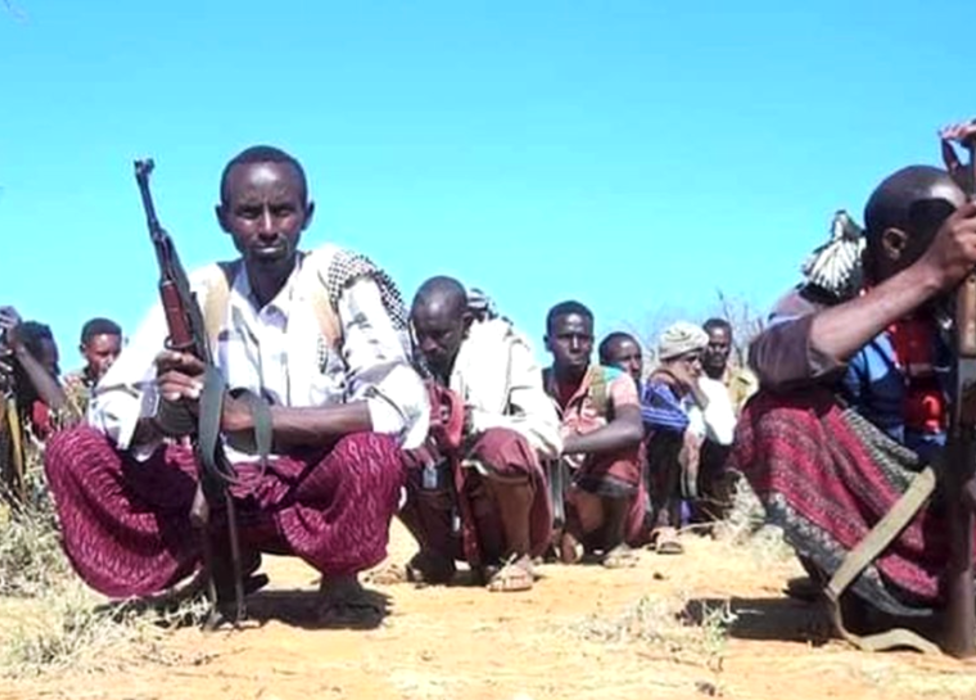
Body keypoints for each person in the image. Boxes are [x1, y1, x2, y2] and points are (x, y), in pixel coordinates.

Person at [43, 145, 429, 623]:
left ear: (307, 215)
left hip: (311, 479)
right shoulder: (202, 288)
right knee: (73, 451)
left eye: (282, 211)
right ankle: (216, 562)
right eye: (249, 213)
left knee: (371, 456)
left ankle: (340, 576)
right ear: (223, 219)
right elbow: (109, 401)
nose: (267, 228)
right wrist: (160, 421)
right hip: (215, 483)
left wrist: (249, 417)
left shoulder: (337, 278)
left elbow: (400, 404)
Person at [733, 163, 976, 631]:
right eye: (948, 234)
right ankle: (868, 587)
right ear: (893, 245)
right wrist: (928, 274)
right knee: (775, 417)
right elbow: (773, 358)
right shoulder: (830, 292)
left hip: (960, 496)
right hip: (876, 508)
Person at [403, 276, 561, 591]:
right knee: (389, 449)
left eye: (439, 335)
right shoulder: (410, 359)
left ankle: (517, 556)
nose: (427, 346)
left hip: (497, 514)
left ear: (466, 323)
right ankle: (435, 553)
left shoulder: (505, 350)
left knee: (501, 447)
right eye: (421, 335)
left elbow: (549, 436)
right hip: (446, 508)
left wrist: (474, 422)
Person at [542, 301, 646, 566]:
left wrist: (563, 445)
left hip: (609, 498)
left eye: (584, 338)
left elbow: (632, 428)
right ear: (547, 342)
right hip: (560, 498)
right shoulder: (534, 384)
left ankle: (614, 542)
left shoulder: (609, 380)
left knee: (624, 447)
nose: (576, 346)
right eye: (566, 337)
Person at [641, 322, 735, 552]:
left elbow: (724, 436)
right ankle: (662, 525)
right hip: (657, 487)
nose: (697, 367)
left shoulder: (712, 390)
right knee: (670, 436)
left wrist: (694, 389)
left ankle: (714, 518)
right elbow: (672, 422)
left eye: (698, 360)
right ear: (669, 360)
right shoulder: (654, 389)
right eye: (689, 360)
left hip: (701, 487)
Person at [63, 317, 123, 416]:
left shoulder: (133, 381)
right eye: (103, 354)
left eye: (117, 353)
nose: (111, 361)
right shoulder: (71, 387)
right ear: (83, 351)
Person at [701, 318, 757, 416]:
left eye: (722, 346)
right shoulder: (690, 381)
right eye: (711, 345)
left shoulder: (745, 382)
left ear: (730, 347)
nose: (717, 351)